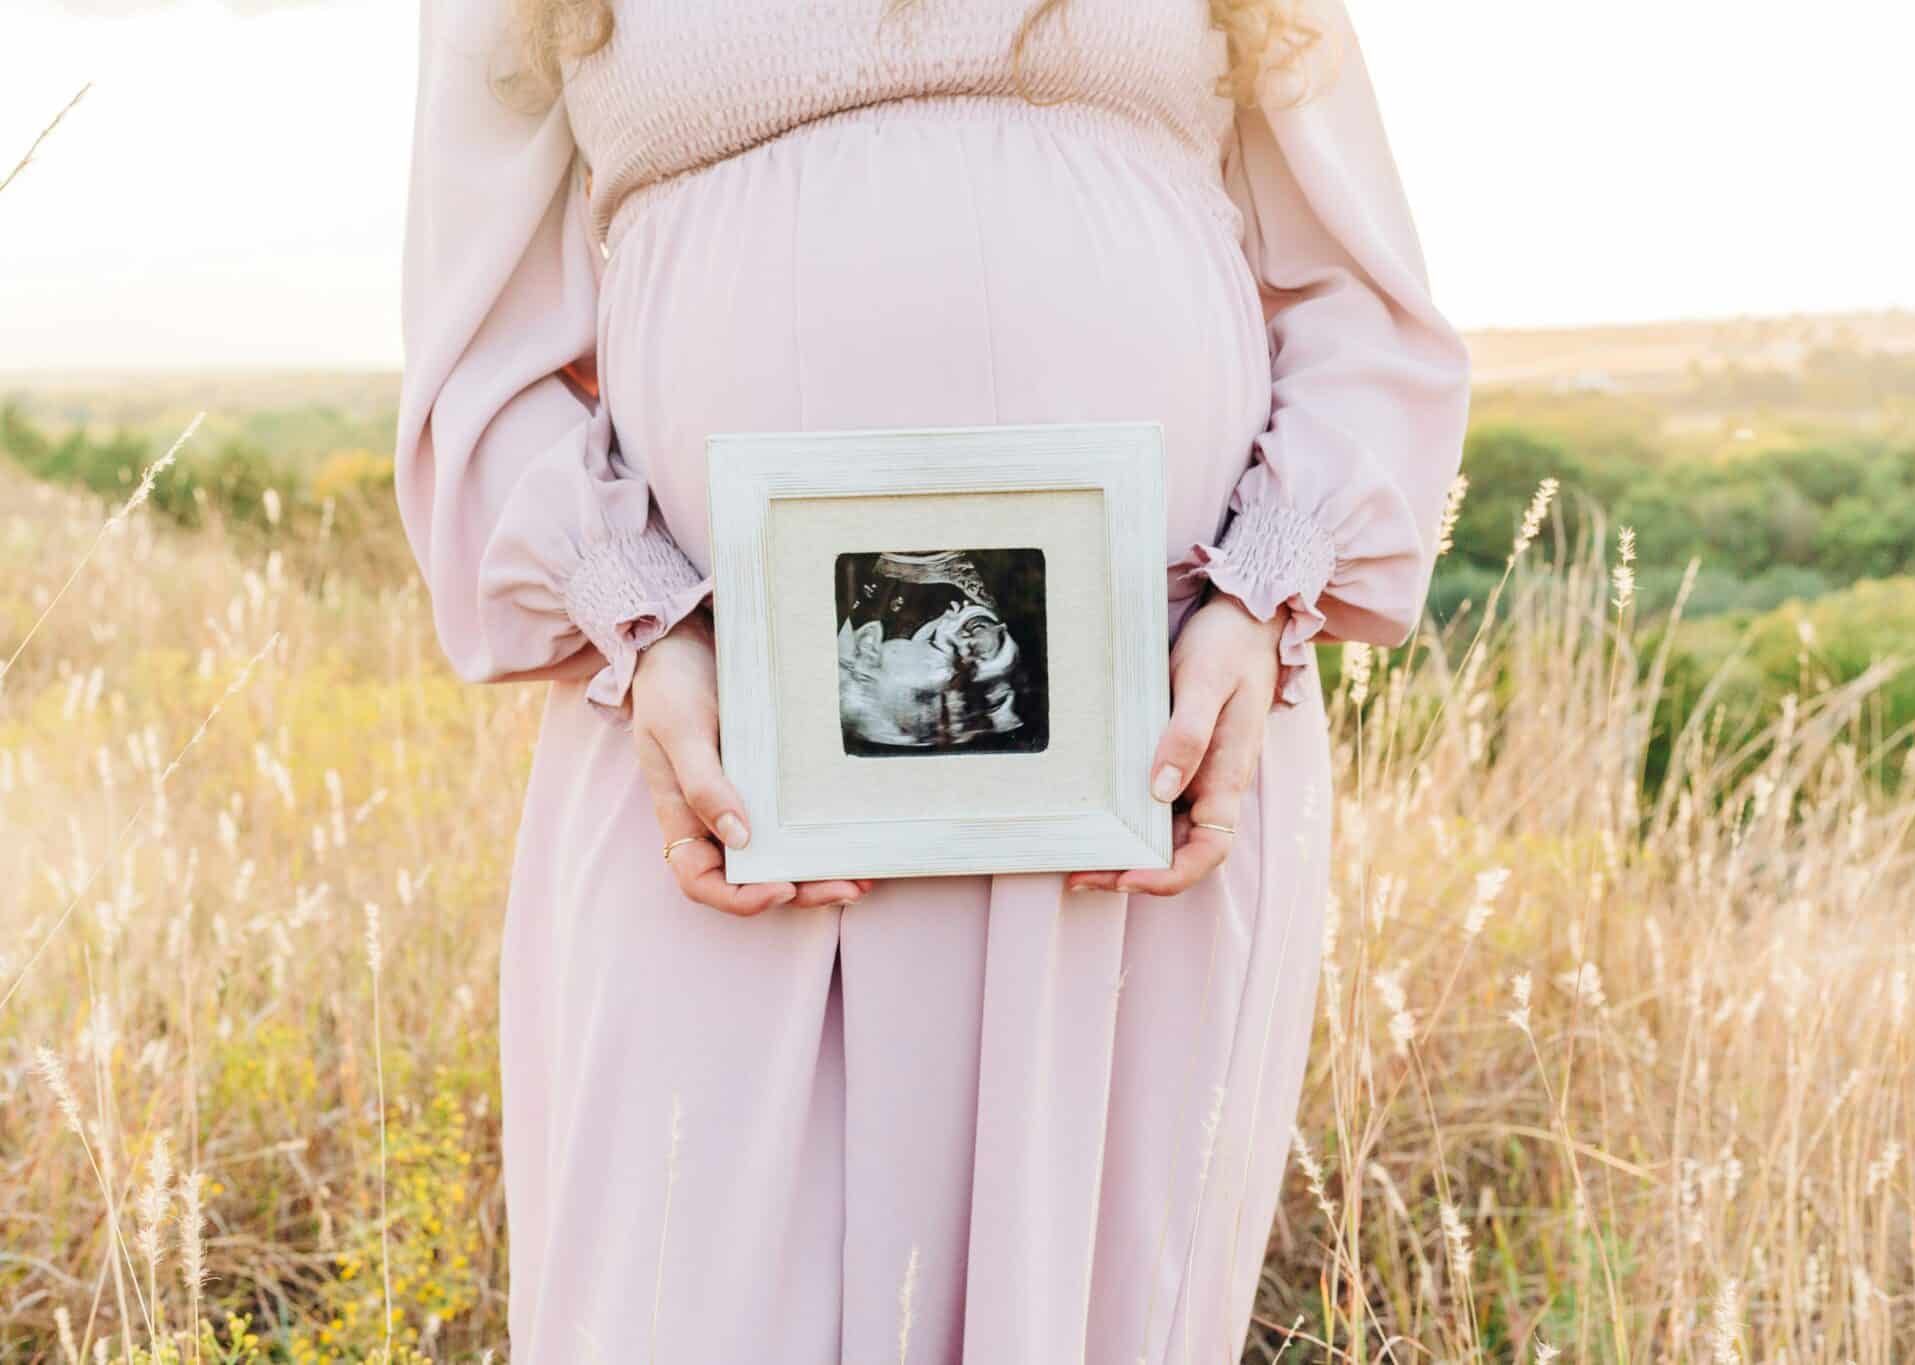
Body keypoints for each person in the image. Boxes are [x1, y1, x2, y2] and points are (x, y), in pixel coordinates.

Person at [393, 0, 1469, 1358]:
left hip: (1148, 747)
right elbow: (479, 347)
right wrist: (637, 620)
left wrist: (1263, 592)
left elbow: (1359, 294)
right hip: (708, 745)